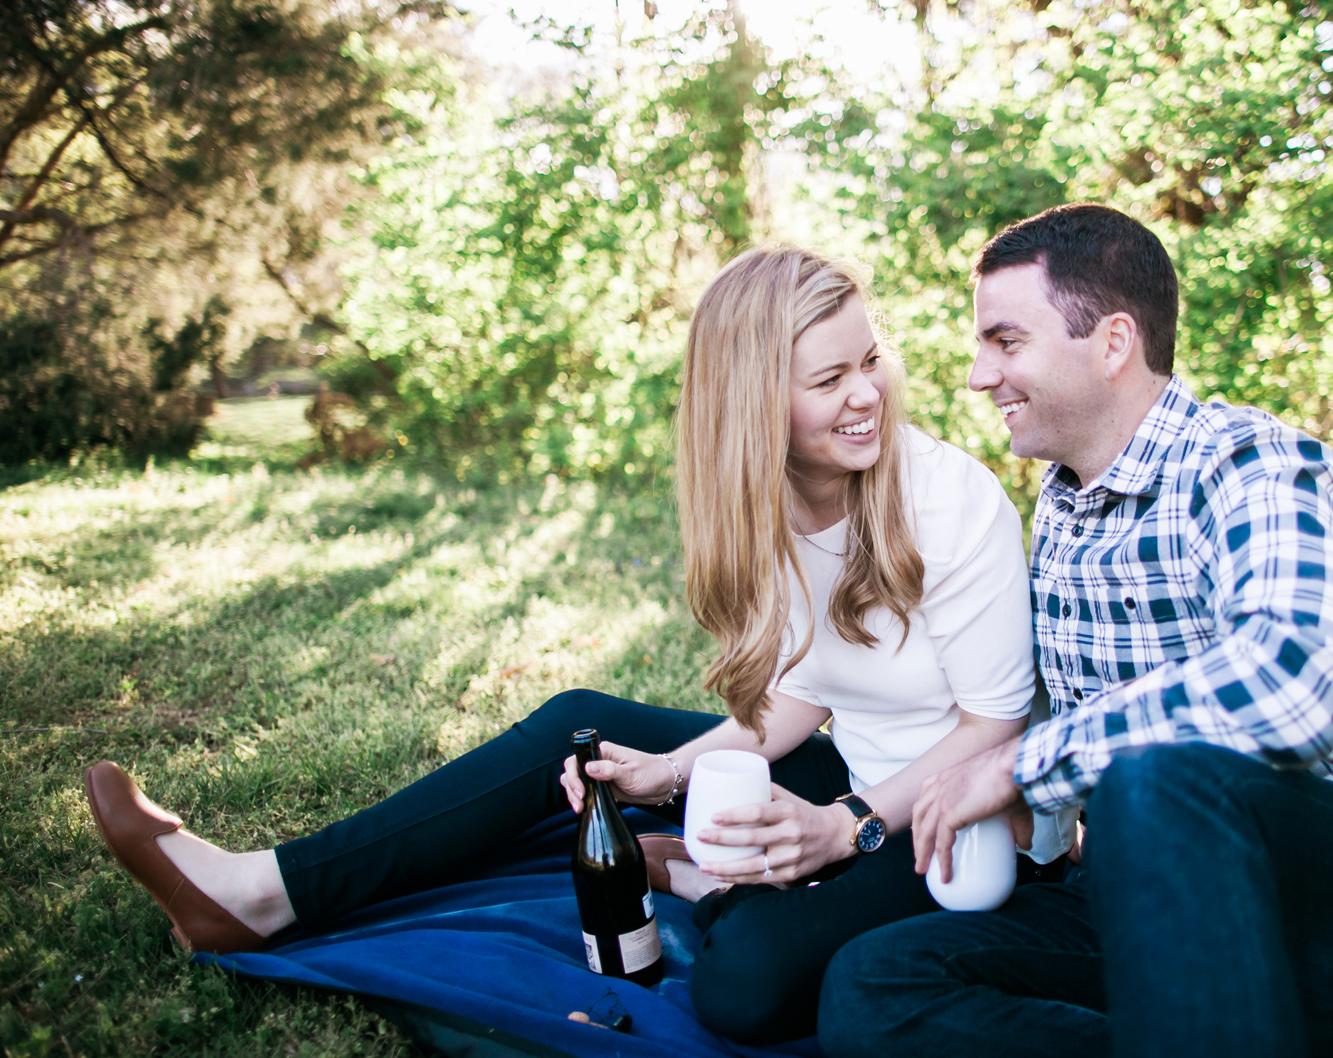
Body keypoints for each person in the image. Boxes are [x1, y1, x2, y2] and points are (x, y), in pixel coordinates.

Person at [82, 245, 1070, 1045]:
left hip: (961, 822)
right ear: (754, 400)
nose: (866, 393)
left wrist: (843, 827)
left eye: (869, 360)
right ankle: (263, 889)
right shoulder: (767, 509)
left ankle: (685, 870)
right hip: (847, 766)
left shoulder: (949, 501)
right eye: (829, 377)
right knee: (580, 730)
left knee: (743, 990)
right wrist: (669, 768)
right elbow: (804, 697)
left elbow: (994, 730)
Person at [816, 205, 1333, 1058]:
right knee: (873, 989)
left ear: (1112, 342)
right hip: (1157, 914)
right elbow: (1068, 733)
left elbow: (1303, 677)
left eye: (1006, 341)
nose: (981, 375)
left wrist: (1019, 765)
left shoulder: (1253, 463)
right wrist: (1023, 809)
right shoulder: (1059, 508)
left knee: (1151, 778)